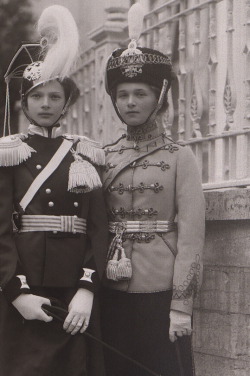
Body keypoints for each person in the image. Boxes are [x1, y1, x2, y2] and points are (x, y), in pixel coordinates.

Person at [0, 5, 108, 376]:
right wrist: (16, 293)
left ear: (66, 103)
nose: (45, 104)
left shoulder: (86, 153)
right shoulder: (8, 154)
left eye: (54, 97)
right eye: (37, 97)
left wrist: (87, 289)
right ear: (24, 103)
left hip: (73, 293)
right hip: (24, 293)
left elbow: (98, 228)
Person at [100, 3, 205, 376]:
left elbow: (191, 239)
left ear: (159, 97)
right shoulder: (102, 156)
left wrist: (181, 306)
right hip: (110, 288)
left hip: (161, 289)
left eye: (140, 93)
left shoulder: (181, 157)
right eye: (123, 93)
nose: (130, 102)